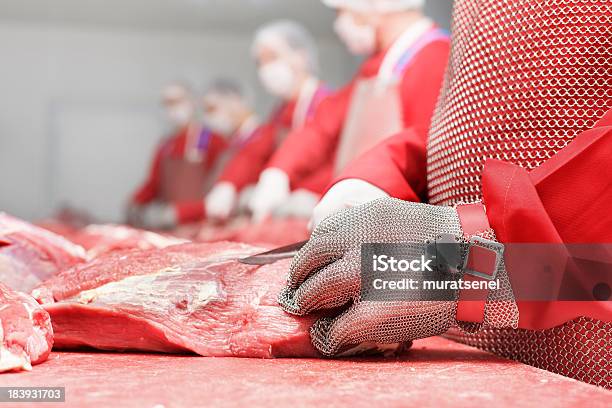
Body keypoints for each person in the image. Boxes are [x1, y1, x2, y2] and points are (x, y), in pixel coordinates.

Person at [279, 0, 612, 388]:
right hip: (462, 345)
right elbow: (470, 121)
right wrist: (379, 176)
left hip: (582, 351)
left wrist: (473, 268)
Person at [248, 0, 450, 221]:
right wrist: (279, 171)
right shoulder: (380, 63)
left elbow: (427, 145)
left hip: (404, 220)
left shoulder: (435, 54)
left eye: (341, 11)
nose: (339, 24)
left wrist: (369, 179)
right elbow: (323, 125)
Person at [205, 20, 331, 221]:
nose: (266, 69)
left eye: (272, 58)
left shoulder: (325, 102)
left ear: (301, 57)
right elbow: (256, 151)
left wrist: (306, 192)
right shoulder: (281, 111)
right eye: (260, 62)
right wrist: (229, 184)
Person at [127, 82, 228, 230]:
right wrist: (135, 202)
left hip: (203, 225)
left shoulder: (208, 139)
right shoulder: (166, 145)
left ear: (192, 102)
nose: (173, 107)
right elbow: (154, 183)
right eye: (168, 103)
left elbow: (222, 185)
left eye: (178, 101)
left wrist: (184, 212)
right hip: (171, 227)